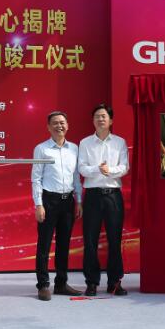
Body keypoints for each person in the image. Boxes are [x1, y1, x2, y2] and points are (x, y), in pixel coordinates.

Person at [31, 111, 83, 301]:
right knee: (44, 244)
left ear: (67, 125)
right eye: (55, 123)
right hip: (49, 201)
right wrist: (39, 204)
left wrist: (78, 200)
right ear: (48, 127)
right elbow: (36, 178)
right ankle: (43, 285)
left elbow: (76, 176)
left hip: (68, 201)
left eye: (62, 122)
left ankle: (61, 283)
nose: (59, 126)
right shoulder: (41, 149)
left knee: (64, 244)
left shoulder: (74, 148)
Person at [79, 104, 129, 296]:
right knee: (90, 240)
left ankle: (114, 282)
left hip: (113, 195)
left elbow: (124, 167)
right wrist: (97, 169)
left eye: (104, 116)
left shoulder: (119, 142)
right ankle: (92, 282)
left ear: (111, 120)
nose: (100, 119)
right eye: (97, 116)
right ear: (93, 121)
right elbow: (82, 168)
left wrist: (110, 171)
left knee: (115, 240)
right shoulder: (85, 143)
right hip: (92, 196)